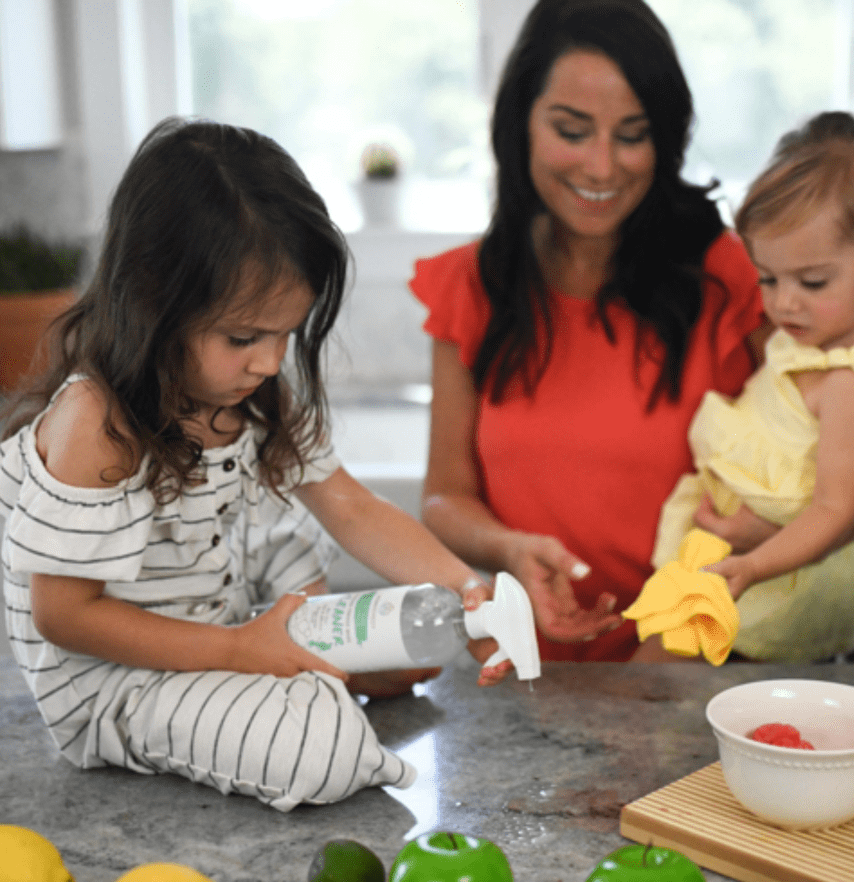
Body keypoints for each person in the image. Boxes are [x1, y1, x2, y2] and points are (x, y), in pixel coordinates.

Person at [0, 119, 509, 813]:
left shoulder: (254, 392)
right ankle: (316, 687)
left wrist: (466, 588)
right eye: (244, 336)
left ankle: (317, 676)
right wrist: (242, 651)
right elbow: (62, 616)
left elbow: (353, 508)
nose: (270, 361)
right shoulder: (101, 423)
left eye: (285, 334)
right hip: (117, 683)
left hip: (223, 630)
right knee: (324, 748)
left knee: (402, 626)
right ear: (155, 300)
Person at [412, 0, 854, 663]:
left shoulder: (738, 277)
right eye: (572, 130)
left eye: (632, 135)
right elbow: (446, 495)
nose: (601, 167)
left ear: (667, 137)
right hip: (530, 673)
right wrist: (507, 547)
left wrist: (775, 541)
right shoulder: (470, 285)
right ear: (521, 125)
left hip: (705, 669)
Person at [648, 112, 854, 662]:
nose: (783, 305)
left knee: (672, 672)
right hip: (780, 560)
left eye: (812, 281)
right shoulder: (846, 323)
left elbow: (834, 511)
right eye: (768, 278)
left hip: (781, 577)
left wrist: (754, 561)